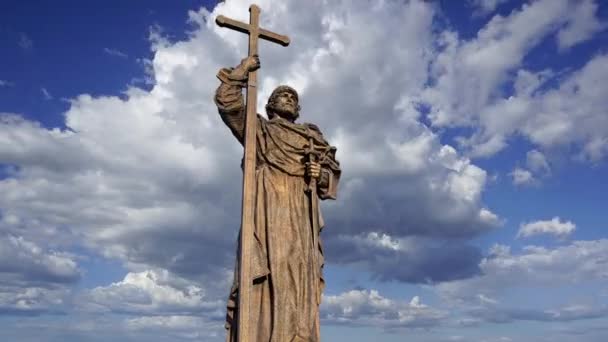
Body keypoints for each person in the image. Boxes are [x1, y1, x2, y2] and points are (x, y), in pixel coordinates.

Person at [215, 55, 340, 342]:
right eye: (281, 95)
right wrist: (241, 73)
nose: (288, 97)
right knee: (273, 273)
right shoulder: (260, 131)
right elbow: (229, 105)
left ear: (298, 108)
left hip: (301, 211)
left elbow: (329, 180)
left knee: (302, 276)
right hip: (268, 210)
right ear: (270, 105)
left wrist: (318, 172)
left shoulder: (312, 139)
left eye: (292, 96)